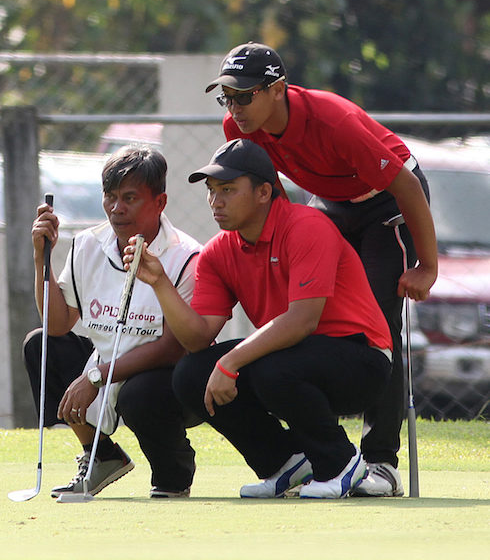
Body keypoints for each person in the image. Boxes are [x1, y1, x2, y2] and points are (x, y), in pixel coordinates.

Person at [203, 41, 438, 497]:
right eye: (227, 96)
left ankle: (380, 463)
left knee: (379, 325)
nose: (234, 107)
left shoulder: (333, 119)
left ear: (277, 89)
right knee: (312, 317)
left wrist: (427, 266)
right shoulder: (239, 125)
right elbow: (271, 196)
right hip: (332, 203)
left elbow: (407, 186)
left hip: (387, 202)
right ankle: (322, 455)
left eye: (244, 94)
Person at [124, 138, 393, 499]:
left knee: (269, 368)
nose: (216, 201)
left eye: (228, 190)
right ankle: (284, 465)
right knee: (192, 373)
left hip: (363, 361)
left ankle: (341, 465)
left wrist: (231, 361)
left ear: (264, 192)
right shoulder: (218, 252)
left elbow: (303, 320)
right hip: (293, 360)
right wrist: (159, 283)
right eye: (212, 190)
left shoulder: (306, 225)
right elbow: (197, 339)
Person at [23, 145, 201, 498]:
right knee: (40, 345)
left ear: (160, 202)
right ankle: (101, 456)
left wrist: (96, 377)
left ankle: (173, 473)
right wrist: (42, 256)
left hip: (172, 380)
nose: (117, 208)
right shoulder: (87, 244)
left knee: (140, 394)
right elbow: (58, 325)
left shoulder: (187, 255)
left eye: (130, 198)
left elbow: (172, 347)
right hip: (104, 366)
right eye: (110, 197)